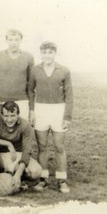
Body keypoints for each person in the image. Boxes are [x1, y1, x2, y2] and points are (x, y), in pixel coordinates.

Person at [28, 41, 73, 193]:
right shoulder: (35, 70)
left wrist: (67, 116)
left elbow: (69, 96)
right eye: (44, 52)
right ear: (41, 53)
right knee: (42, 146)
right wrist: (32, 110)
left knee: (59, 147)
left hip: (58, 111)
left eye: (50, 52)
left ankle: (62, 180)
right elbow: (30, 91)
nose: (47, 55)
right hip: (41, 109)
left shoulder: (64, 70)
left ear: (55, 53)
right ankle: (43, 179)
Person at [0, 101, 42, 196]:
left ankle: (18, 180)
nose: (9, 119)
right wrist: (8, 144)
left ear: (18, 115)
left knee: (36, 171)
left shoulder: (25, 125)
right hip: (0, 156)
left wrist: (18, 174)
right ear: (1, 115)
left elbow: (27, 151)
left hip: (17, 157)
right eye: (6, 116)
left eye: (12, 115)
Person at [0, 29, 34, 120]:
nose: (13, 43)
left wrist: (31, 107)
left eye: (16, 40)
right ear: (6, 40)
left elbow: (31, 84)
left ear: (21, 40)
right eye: (11, 40)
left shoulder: (28, 57)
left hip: (22, 100)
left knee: (22, 129)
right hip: (3, 100)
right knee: (2, 131)